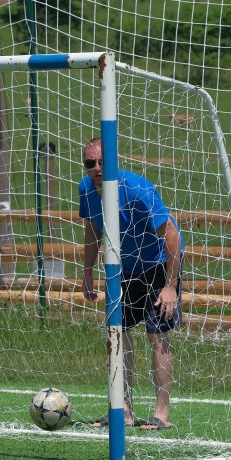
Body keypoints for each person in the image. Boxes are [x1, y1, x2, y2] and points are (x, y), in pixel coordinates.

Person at [78, 137, 183, 431]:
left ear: (114, 161)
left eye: (103, 162)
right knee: (117, 332)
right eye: (90, 163)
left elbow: (171, 236)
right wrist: (87, 271)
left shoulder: (137, 189)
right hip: (124, 267)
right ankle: (122, 409)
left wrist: (170, 286)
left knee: (157, 335)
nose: (97, 168)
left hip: (160, 264)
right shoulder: (86, 190)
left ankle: (161, 414)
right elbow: (92, 230)